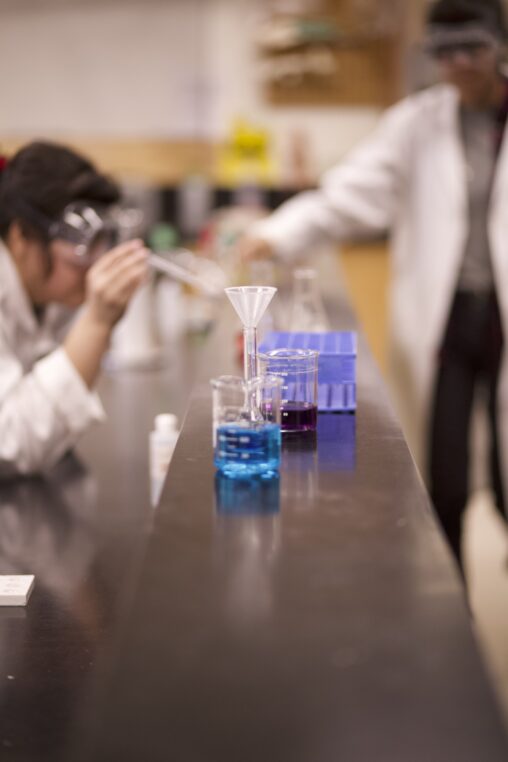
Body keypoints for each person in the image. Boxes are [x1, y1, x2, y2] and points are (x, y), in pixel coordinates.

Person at [243, 0, 508, 569]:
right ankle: (448, 582)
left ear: (499, 46)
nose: (459, 64)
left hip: (503, 318)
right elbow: (347, 192)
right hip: (451, 318)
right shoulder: (417, 123)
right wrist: (278, 232)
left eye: (473, 49)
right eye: (444, 53)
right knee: (447, 467)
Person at [0, 141, 149, 476]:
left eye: (104, 239)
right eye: (82, 241)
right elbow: (10, 444)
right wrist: (97, 321)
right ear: (21, 235)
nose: (96, 261)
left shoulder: (52, 292)